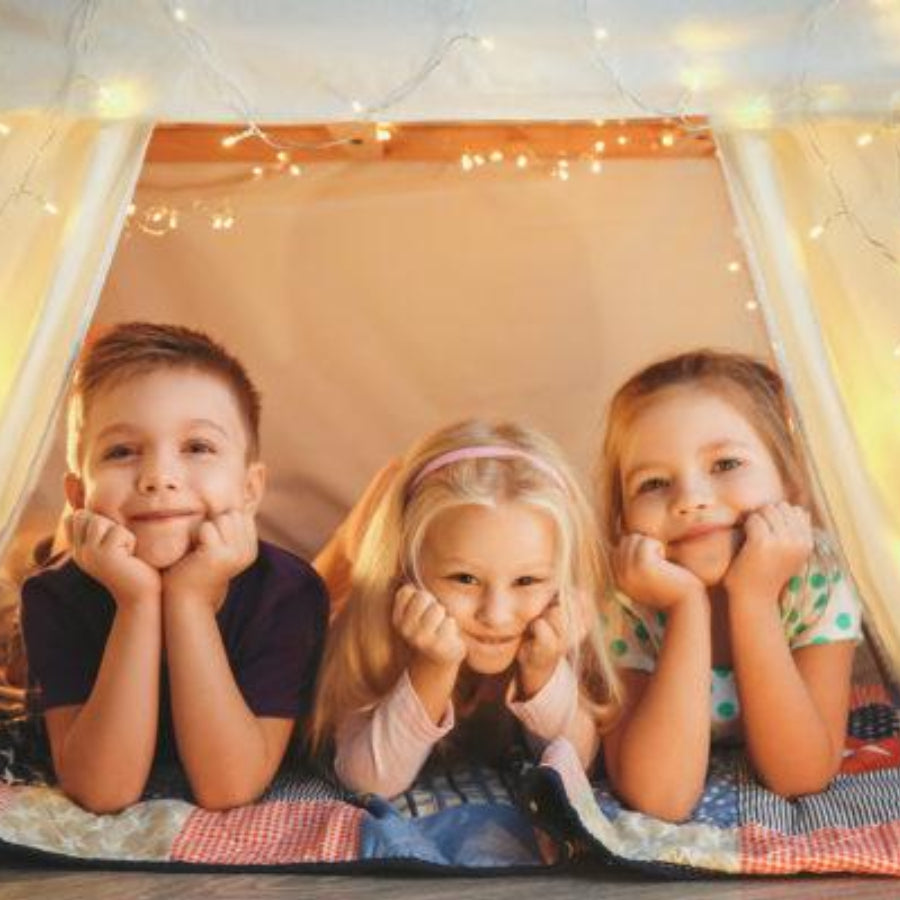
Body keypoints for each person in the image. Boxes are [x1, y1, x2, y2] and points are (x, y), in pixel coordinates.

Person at [21, 322, 328, 814]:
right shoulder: (53, 596)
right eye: (122, 451)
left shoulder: (289, 593)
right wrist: (137, 601)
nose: (159, 477)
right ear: (79, 496)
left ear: (250, 489)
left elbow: (229, 788)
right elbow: (102, 791)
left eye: (198, 447)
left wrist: (187, 601)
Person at [598, 349, 862, 821]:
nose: (691, 501)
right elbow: (660, 797)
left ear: (792, 480)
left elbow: (800, 775)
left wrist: (755, 600)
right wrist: (685, 608)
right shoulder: (626, 597)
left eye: (725, 465)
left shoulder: (818, 578)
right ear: (623, 516)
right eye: (654, 483)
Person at [310, 420, 621, 798]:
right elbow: (367, 781)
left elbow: (579, 762)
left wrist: (543, 670)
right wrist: (433, 665)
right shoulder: (375, 630)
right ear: (406, 570)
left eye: (527, 581)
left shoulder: (555, 621)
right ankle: (354, 535)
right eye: (464, 579)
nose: (496, 614)